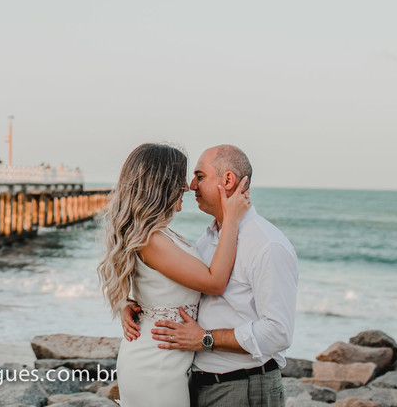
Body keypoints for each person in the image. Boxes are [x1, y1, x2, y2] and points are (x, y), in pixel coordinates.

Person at [122, 145, 299, 407]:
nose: (191, 186)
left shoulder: (266, 245)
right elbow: (173, 287)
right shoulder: (206, 242)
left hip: (243, 386)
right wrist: (136, 304)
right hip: (194, 382)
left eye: (200, 176)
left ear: (227, 180)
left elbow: (278, 332)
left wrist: (206, 339)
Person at [99, 143, 251, 407]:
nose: (187, 187)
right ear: (162, 185)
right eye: (181, 178)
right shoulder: (152, 240)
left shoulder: (158, 234)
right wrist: (232, 219)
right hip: (155, 367)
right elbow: (215, 282)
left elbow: (153, 284)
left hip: (164, 362)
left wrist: (128, 303)